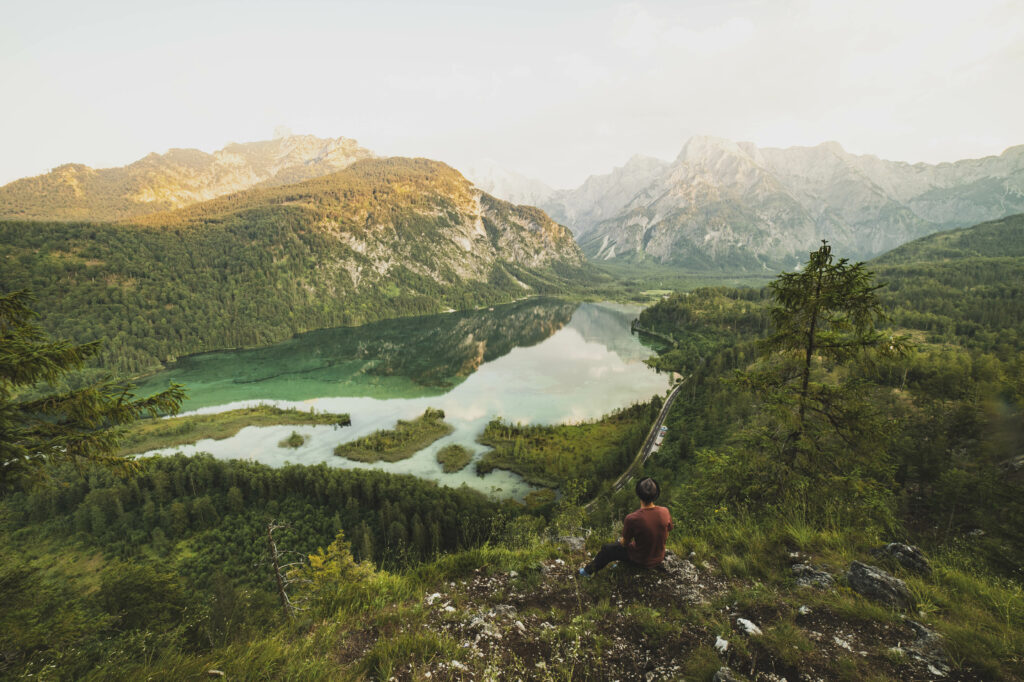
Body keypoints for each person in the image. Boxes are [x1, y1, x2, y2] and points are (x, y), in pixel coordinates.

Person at [578, 477, 672, 578]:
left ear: (639, 494)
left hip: (641, 560)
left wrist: (620, 541)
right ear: (656, 495)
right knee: (623, 547)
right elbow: (667, 531)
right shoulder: (665, 511)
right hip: (658, 557)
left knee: (607, 550)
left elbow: (625, 543)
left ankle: (586, 572)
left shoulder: (632, 518)